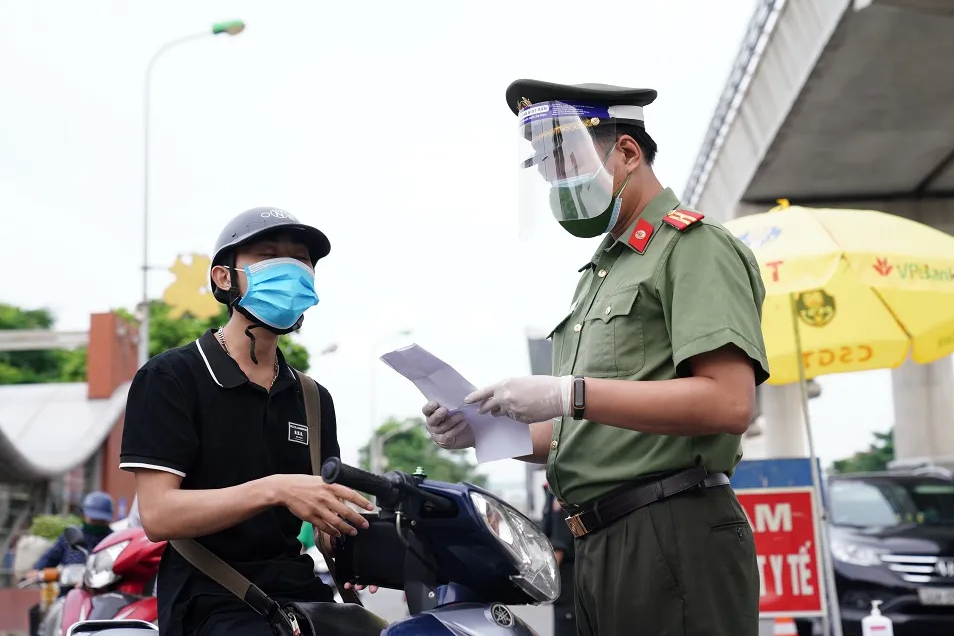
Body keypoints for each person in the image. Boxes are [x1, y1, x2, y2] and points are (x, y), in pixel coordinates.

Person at [421, 80, 768, 636]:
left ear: (627, 151)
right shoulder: (604, 271)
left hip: (670, 528)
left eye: (568, 162)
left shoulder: (693, 247)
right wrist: (485, 430)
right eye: (547, 170)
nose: (559, 183)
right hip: (599, 541)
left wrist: (567, 393)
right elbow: (588, 434)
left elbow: (728, 403)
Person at [118, 207, 377, 636]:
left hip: (302, 597)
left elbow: (320, 512)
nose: (291, 268)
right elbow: (159, 514)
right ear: (224, 277)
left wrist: (357, 539)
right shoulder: (171, 377)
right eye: (269, 255)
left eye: (301, 260)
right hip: (210, 601)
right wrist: (275, 489)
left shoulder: (312, 398)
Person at [27, 491, 114, 578]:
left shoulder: (114, 540)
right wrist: (37, 570)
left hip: (103, 588)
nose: (97, 523)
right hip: (70, 588)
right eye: (93, 519)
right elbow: (51, 557)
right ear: (84, 514)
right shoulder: (71, 535)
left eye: (101, 520)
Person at [540, 483, 576, 636]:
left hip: (569, 577)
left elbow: (559, 547)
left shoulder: (561, 490)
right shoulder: (553, 489)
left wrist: (544, 582)